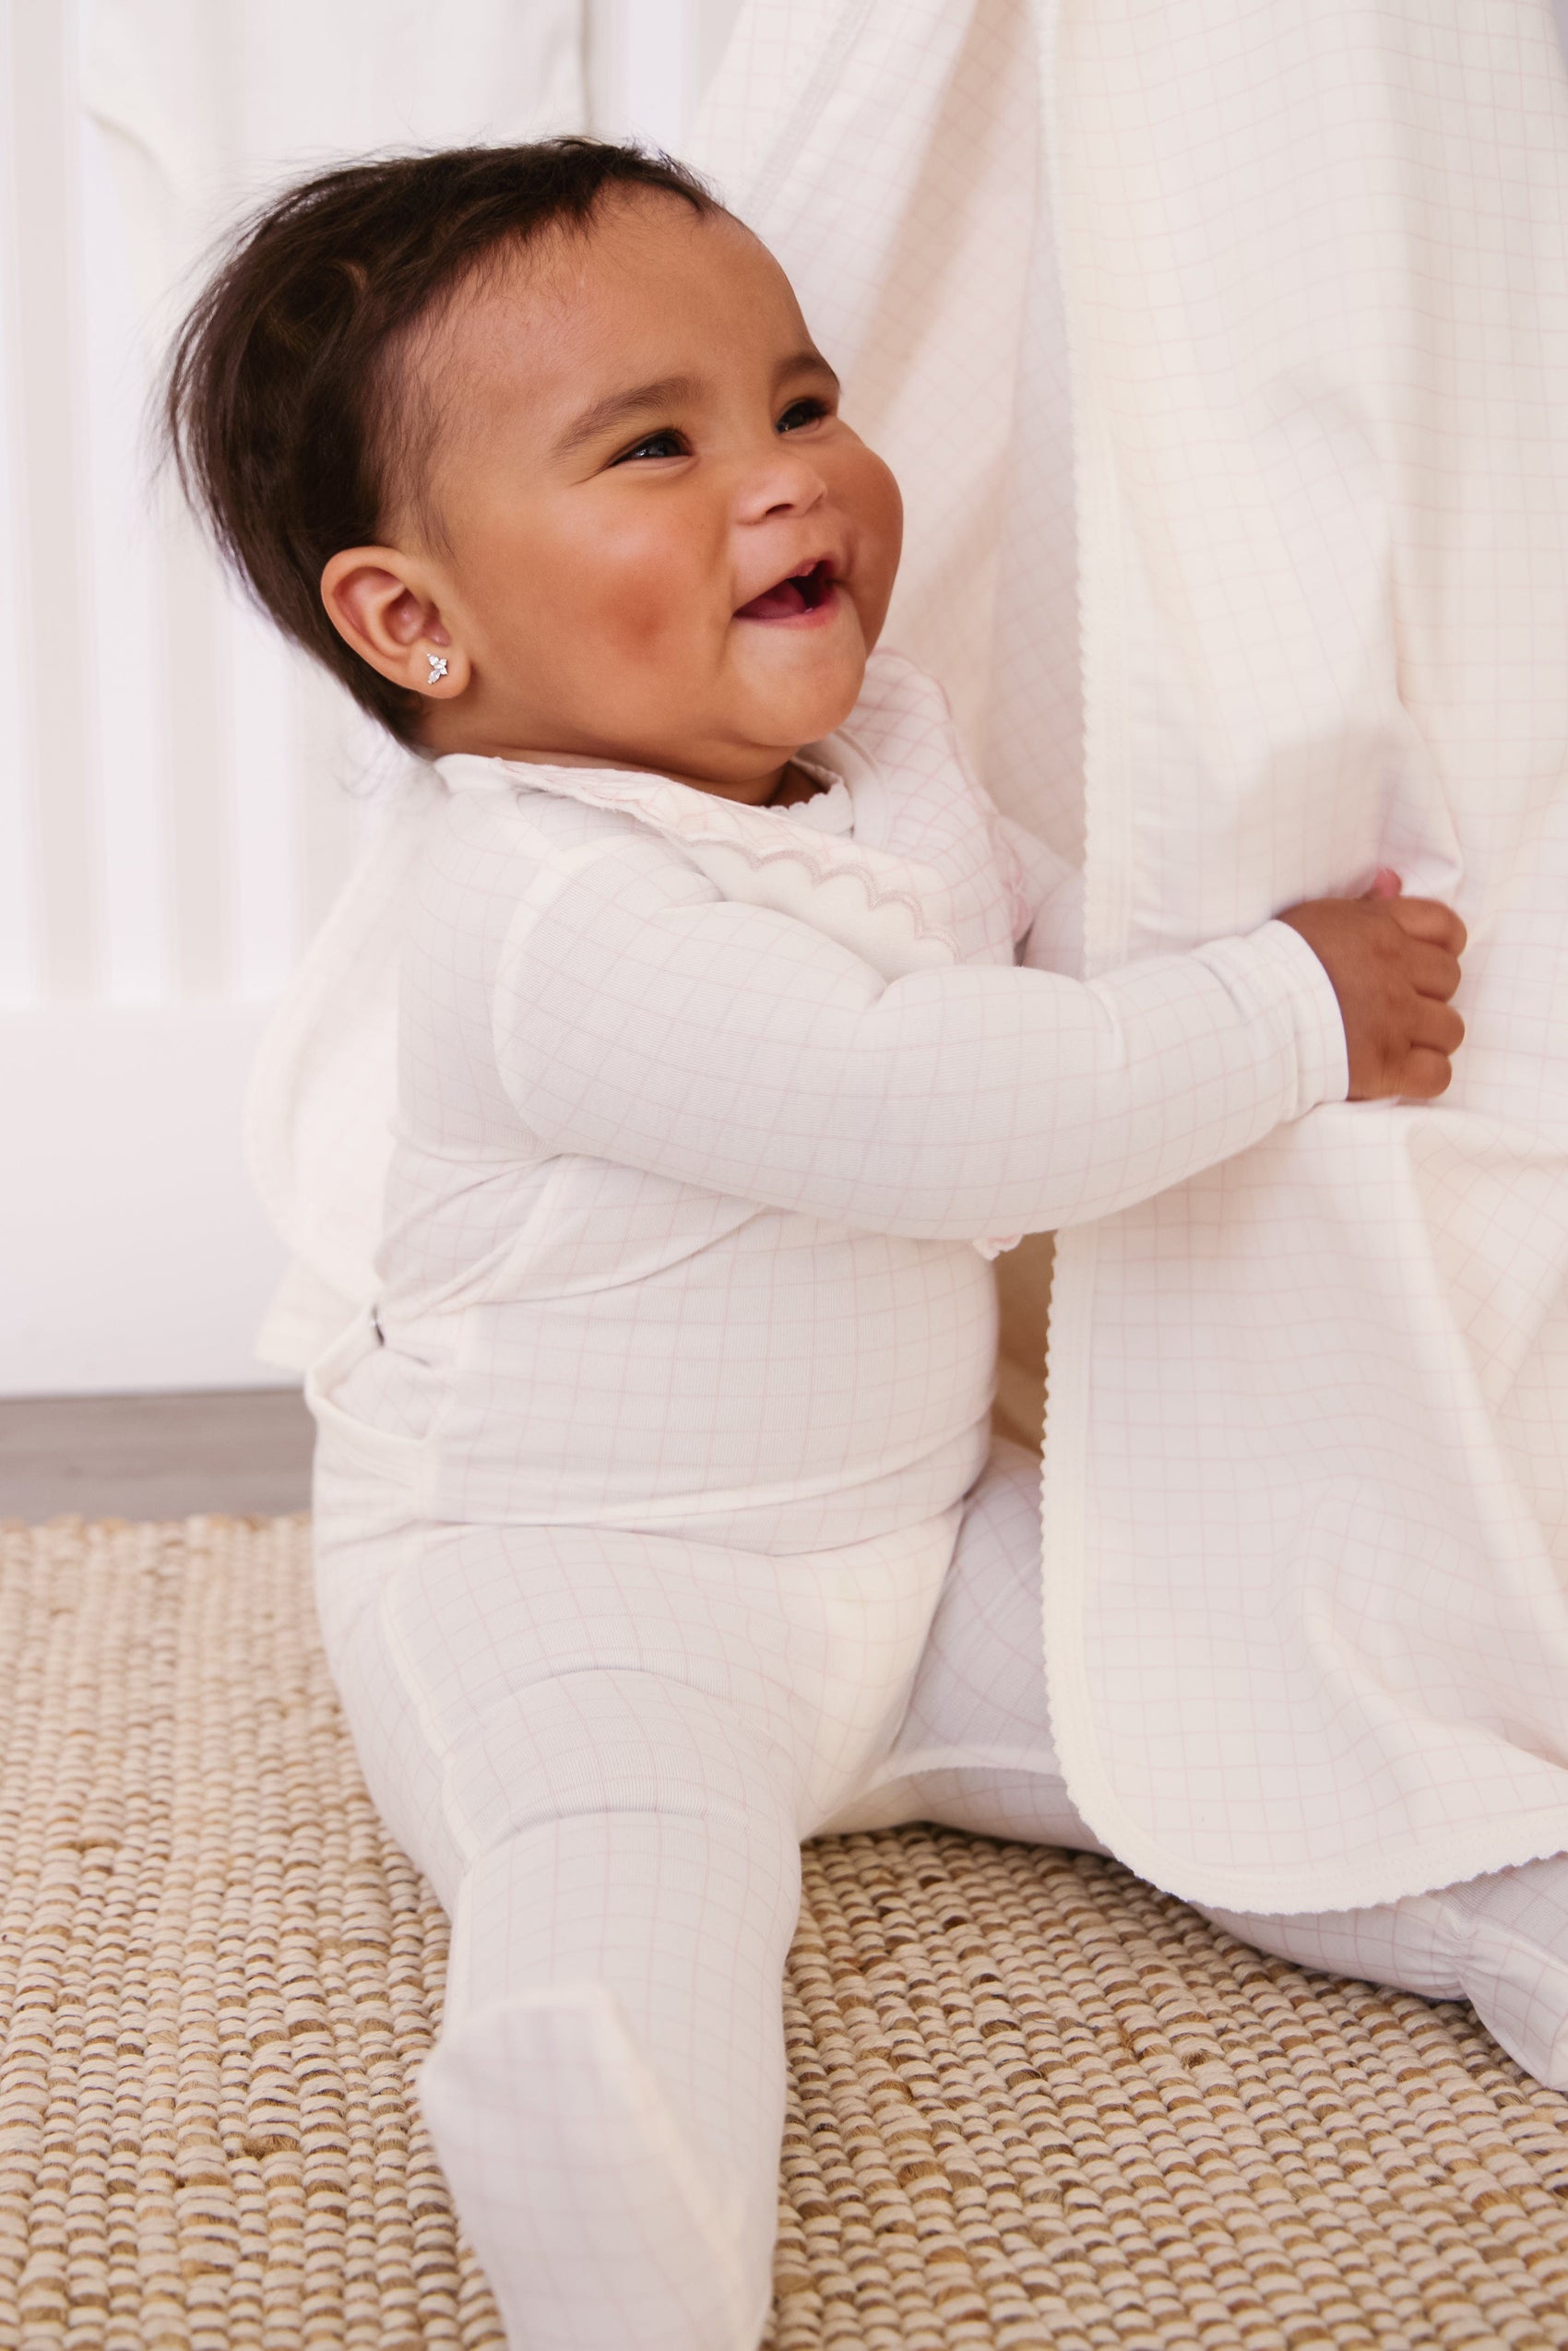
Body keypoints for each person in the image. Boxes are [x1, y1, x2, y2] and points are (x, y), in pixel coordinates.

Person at [165, 141, 1503, 2351]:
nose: (780, 483)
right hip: (582, 1575)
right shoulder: (540, 912)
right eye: (656, 448)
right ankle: (613, 2218)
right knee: (624, 1879)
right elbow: (930, 1105)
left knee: (1268, 1707)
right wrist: (1283, 1007)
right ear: (418, 620)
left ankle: (1511, 1896)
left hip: (915, 1542)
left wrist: (1232, 920)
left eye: (795, 404)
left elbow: (1043, 943)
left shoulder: (876, 747)